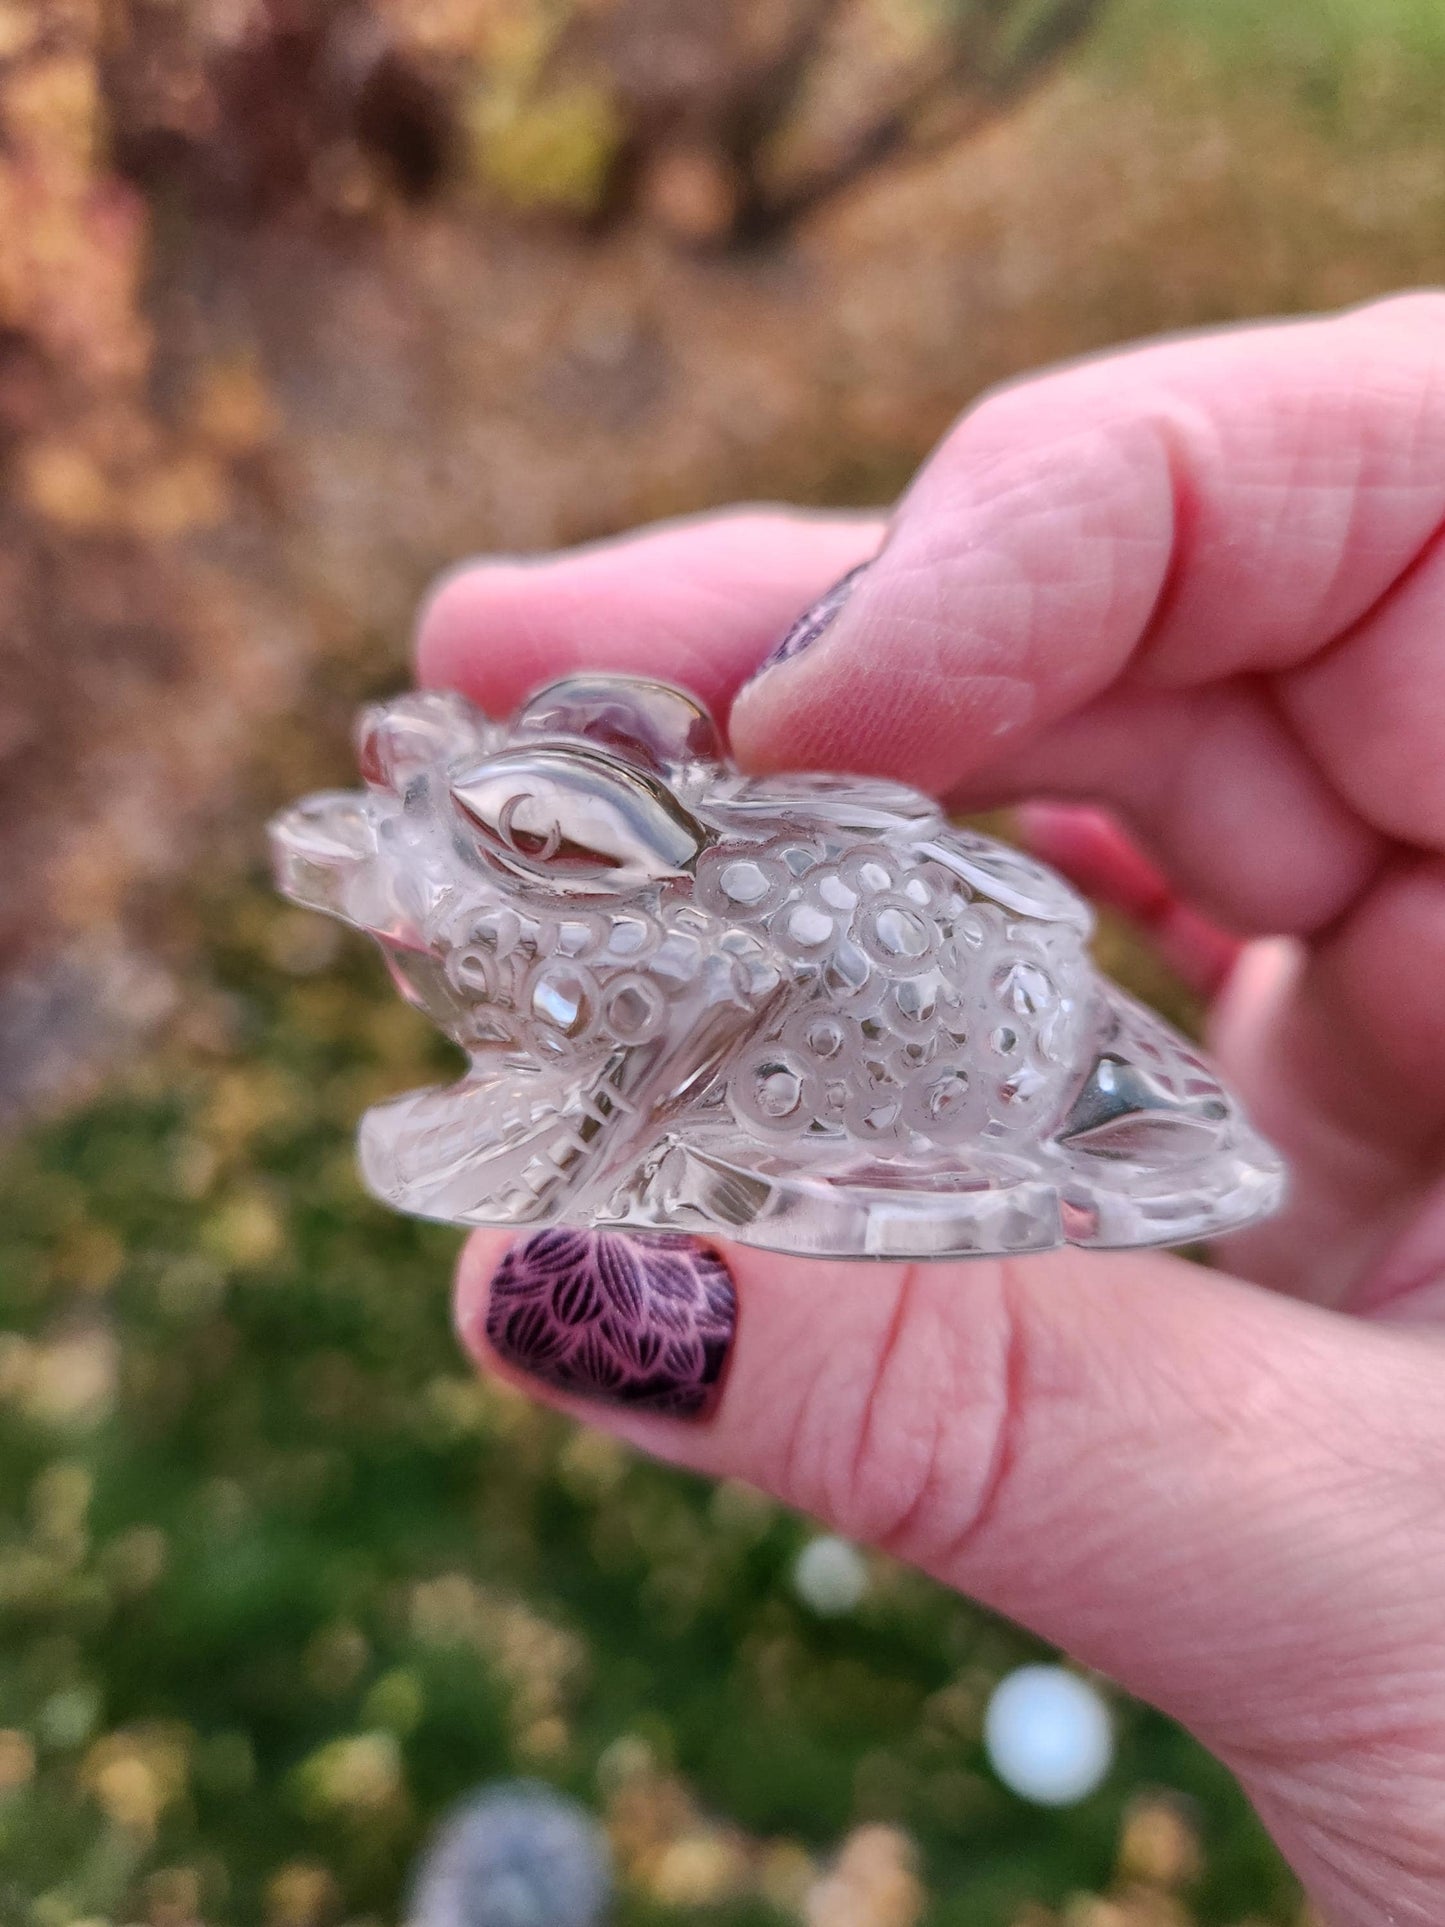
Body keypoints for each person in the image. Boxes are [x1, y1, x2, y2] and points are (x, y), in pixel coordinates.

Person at [415, 293, 1445, 1926]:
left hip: (1001, 1071)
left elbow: (709, 1042)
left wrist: (618, 1137)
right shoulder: (656, 909)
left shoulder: (744, 912)